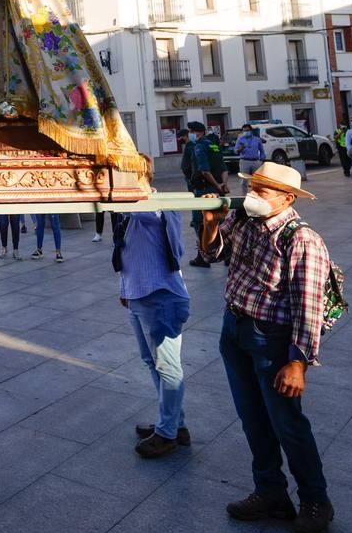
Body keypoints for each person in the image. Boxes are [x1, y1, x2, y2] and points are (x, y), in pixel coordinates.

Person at [197, 162, 334, 533]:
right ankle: (270, 492)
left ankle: (315, 500)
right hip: (235, 329)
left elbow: (308, 308)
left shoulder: (301, 239)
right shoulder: (242, 220)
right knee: (252, 418)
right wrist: (210, 222)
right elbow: (211, 256)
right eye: (253, 188)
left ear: (287, 199)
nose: (253, 196)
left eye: (263, 191)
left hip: (272, 339)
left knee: (287, 423)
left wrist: (297, 362)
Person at [109, 155, 191, 459]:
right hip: (139, 295)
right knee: (151, 362)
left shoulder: (153, 206)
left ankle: (168, 434)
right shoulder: (130, 211)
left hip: (161, 297)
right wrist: (125, 289)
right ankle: (173, 423)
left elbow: (154, 218)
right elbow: (129, 251)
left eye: (117, 172)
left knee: (168, 368)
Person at [181, 120, 228, 267]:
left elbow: (205, 171)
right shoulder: (213, 145)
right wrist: (222, 185)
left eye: (190, 132)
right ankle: (227, 254)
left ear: (197, 132)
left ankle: (203, 255)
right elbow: (223, 167)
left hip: (204, 189)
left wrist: (215, 184)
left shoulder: (199, 146)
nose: (190, 135)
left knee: (198, 221)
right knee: (220, 221)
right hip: (218, 188)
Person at [233, 125, 267, 192]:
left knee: (257, 180)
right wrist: (241, 148)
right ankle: (244, 196)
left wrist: (262, 160)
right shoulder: (240, 139)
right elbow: (235, 151)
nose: (246, 132)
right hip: (244, 162)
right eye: (244, 131)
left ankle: (256, 195)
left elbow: (262, 150)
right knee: (244, 180)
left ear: (251, 131)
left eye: (247, 130)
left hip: (256, 161)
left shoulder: (257, 139)